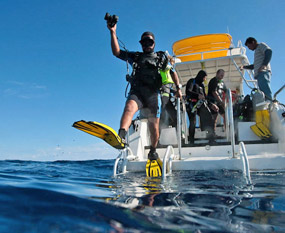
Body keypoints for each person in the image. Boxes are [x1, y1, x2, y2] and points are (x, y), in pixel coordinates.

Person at [107, 23, 182, 160]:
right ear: (141, 43)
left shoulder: (161, 58)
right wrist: (113, 32)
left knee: (154, 126)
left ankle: (153, 150)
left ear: (154, 43)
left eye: (149, 41)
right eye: (144, 42)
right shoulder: (135, 57)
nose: (147, 44)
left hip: (154, 94)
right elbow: (116, 52)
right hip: (138, 93)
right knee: (129, 108)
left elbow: (173, 73)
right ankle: (121, 135)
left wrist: (178, 89)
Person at [185, 70, 217, 144]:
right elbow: (188, 91)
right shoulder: (192, 81)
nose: (205, 79)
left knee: (209, 116)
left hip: (200, 104)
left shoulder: (202, 85)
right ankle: (191, 141)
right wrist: (197, 95)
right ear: (201, 76)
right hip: (191, 103)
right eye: (204, 77)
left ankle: (210, 138)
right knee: (193, 121)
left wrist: (211, 104)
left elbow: (205, 98)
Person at [159, 55, 177, 130]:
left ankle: (174, 126)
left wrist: (174, 91)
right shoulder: (167, 67)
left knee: (173, 114)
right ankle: (158, 135)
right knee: (163, 112)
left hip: (167, 92)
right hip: (163, 93)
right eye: (172, 62)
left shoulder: (167, 69)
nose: (173, 64)